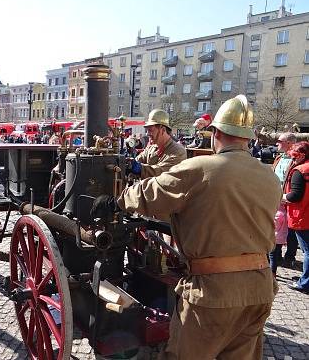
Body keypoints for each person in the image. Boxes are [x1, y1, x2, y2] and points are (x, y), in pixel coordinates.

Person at [92, 95, 281, 359]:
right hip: (260, 289)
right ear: (248, 138)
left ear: (215, 133)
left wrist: (116, 202)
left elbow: (152, 191)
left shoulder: (201, 167)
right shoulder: (269, 176)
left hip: (214, 293)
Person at [129, 109, 186, 179]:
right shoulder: (151, 148)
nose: (147, 134)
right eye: (147, 131)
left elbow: (163, 172)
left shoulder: (178, 151)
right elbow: (139, 159)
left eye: (150, 130)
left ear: (163, 129)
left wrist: (141, 168)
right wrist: (129, 163)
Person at [283, 141, 309, 293]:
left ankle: (305, 283)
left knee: (307, 251)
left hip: (303, 215)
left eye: (294, 156)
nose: (292, 160)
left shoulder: (300, 171)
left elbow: (294, 196)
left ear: (302, 155)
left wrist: (280, 197)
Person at [273, 132, 298, 266]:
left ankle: (290, 257)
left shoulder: (296, 160)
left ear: (289, 143)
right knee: (277, 227)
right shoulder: (279, 158)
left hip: (289, 199)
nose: (277, 143)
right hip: (277, 198)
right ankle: (276, 255)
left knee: (291, 230)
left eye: (280, 141)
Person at [269, 205, 288, 278]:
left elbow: (274, 227)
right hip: (281, 238)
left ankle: (272, 274)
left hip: (274, 238)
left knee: (272, 256)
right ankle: (273, 271)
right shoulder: (284, 212)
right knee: (276, 255)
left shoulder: (277, 214)